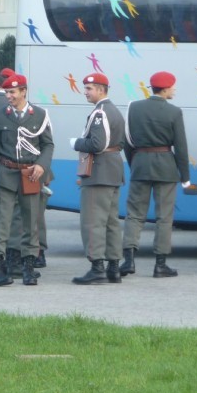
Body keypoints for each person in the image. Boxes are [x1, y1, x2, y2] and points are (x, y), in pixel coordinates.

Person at [0, 74, 54, 286]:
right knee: (1, 222)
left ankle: (28, 266)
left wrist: (42, 164)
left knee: (30, 221)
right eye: (6, 92)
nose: (9, 96)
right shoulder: (0, 114)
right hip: (5, 174)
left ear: (24, 91)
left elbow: (48, 144)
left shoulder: (39, 114)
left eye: (12, 92)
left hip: (30, 174)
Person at [122, 71, 191, 278]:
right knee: (164, 217)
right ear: (166, 88)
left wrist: (135, 163)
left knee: (134, 213)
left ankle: (129, 261)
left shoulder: (134, 107)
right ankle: (160, 265)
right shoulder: (174, 112)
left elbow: (128, 142)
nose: (175, 90)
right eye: (173, 86)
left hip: (140, 164)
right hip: (166, 168)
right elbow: (180, 147)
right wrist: (185, 176)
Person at [70, 73, 126, 284]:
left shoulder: (100, 112)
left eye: (89, 88)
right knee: (111, 222)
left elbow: (97, 144)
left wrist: (75, 143)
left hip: (99, 171)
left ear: (102, 89)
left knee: (93, 221)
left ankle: (97, 268)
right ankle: (113, 267)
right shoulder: (115, 111)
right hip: (112, 170)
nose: (85, 92)